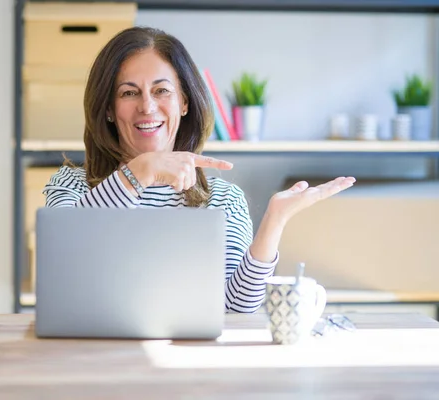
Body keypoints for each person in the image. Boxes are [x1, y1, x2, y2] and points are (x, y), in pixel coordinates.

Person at [43, 26, 355, 313]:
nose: (147, 107)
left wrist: (275, 221)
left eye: (162, 90)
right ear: (108, 109)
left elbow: (234, 307)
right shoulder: (71, 185)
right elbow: (64, 258)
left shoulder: (223, 198)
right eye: (129, 92)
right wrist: (138, 172)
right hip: (93, 357)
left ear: (184, 103)